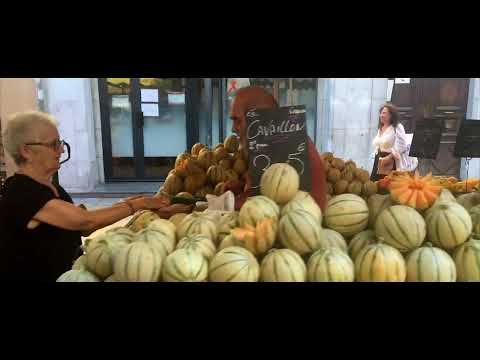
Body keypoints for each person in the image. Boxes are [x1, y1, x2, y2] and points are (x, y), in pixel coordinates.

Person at [0, 111, 190, 281]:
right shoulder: (21, 193)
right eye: (54, 144)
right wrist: (139, 203)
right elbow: (86, 221)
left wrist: (135, 204)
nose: (61, 150)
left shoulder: (51, 188)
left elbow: (82, 228)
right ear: (26, 151)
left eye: (60, 143)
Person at [224, 86, 328, 212]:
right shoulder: (263, 147)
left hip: (300, 223)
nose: (233, 129)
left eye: (237, 120)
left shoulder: (286, 144)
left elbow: (268, 203)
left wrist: (228, 204)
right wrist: (242, 188)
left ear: (257, 118)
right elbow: (272, 189)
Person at [370, 103, 418, 181]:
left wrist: (388, 158)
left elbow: (402, 146)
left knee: (389, 185)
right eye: (381, 113)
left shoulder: (397, 127)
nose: (381, 115)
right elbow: (379, 144)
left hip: (391, 162)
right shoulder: (381, 128)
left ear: (391, 115)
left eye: (384, 113)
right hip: (379, 161)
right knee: (378, 185)